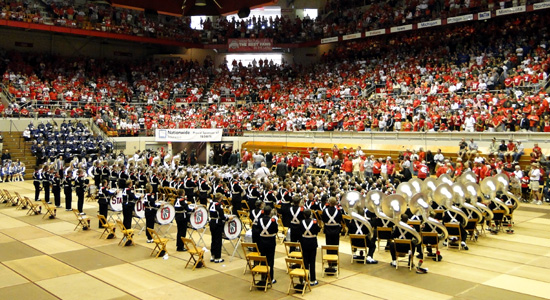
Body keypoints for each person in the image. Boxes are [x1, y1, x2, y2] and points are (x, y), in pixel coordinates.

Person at [254, 205, 278, 284]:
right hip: (270, 241)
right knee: (270, 260)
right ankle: (270, 278)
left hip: (262, 241)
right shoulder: (273, 220)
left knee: (263, 259)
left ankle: (263, 277)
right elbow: (276, 230)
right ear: (270, 212)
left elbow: (257, 229)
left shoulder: (260, 220)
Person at [299, 209, 320, 286]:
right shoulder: (314, 222)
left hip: (304, 242)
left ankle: (305, 278)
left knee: (305, 261)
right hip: (312, 243)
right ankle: (313, 279)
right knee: (312, 262)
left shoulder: (301, 222)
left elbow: (300, 231)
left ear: (304, 215)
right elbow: (317, 230)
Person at [209, 193, 232, 263]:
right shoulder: (219, 205)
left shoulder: (211, 204)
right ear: (220, 198)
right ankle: (217, 257)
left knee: (213, 239)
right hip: (217, 223)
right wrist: (228, 218)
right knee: (218, 240)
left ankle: (212, 255)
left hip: (211, 222)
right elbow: (222, 216)